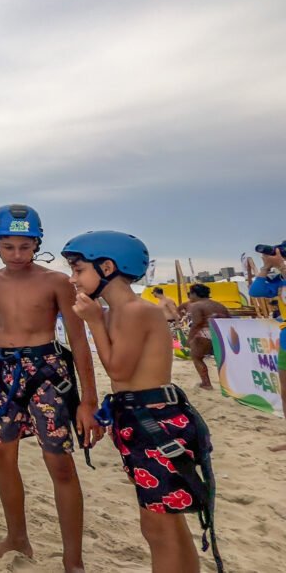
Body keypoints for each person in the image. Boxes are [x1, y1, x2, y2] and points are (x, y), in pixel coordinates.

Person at [62, 231, 223, 573]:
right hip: (136, 418)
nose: (73, 278)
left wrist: (92, 321)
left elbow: (117, 366)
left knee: (158, 526)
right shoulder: (114, 313)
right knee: (167, 522)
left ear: (106, 267)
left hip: (154, 422)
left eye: (78, 270)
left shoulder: (136, 311)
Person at [0, 204, 102, 571]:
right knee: (0, 454)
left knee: (59, 462)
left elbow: (78, 342)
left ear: (37, 244)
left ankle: (72, 559)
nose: (17, 254)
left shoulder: (56, 282)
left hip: (47, 372)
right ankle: (17, 537)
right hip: (4, 372)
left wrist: (88, 400)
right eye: (8, 246)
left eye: (25, 246)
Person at [249, 246, 285, 451]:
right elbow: (256, 291)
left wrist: (280, 264)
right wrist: (265, 268)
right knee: (285, 392)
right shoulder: (280, 280)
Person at [178, 284, 230, 390]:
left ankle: (206, 383)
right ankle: (228, 383)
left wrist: (190, 338)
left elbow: (197, 323)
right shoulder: (219, 305)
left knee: (196, 357)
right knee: (222, 359)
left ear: (194, 294)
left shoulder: (197, 305)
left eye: (190, 294)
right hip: (222, 333)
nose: (189, 296)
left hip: (206, 332)